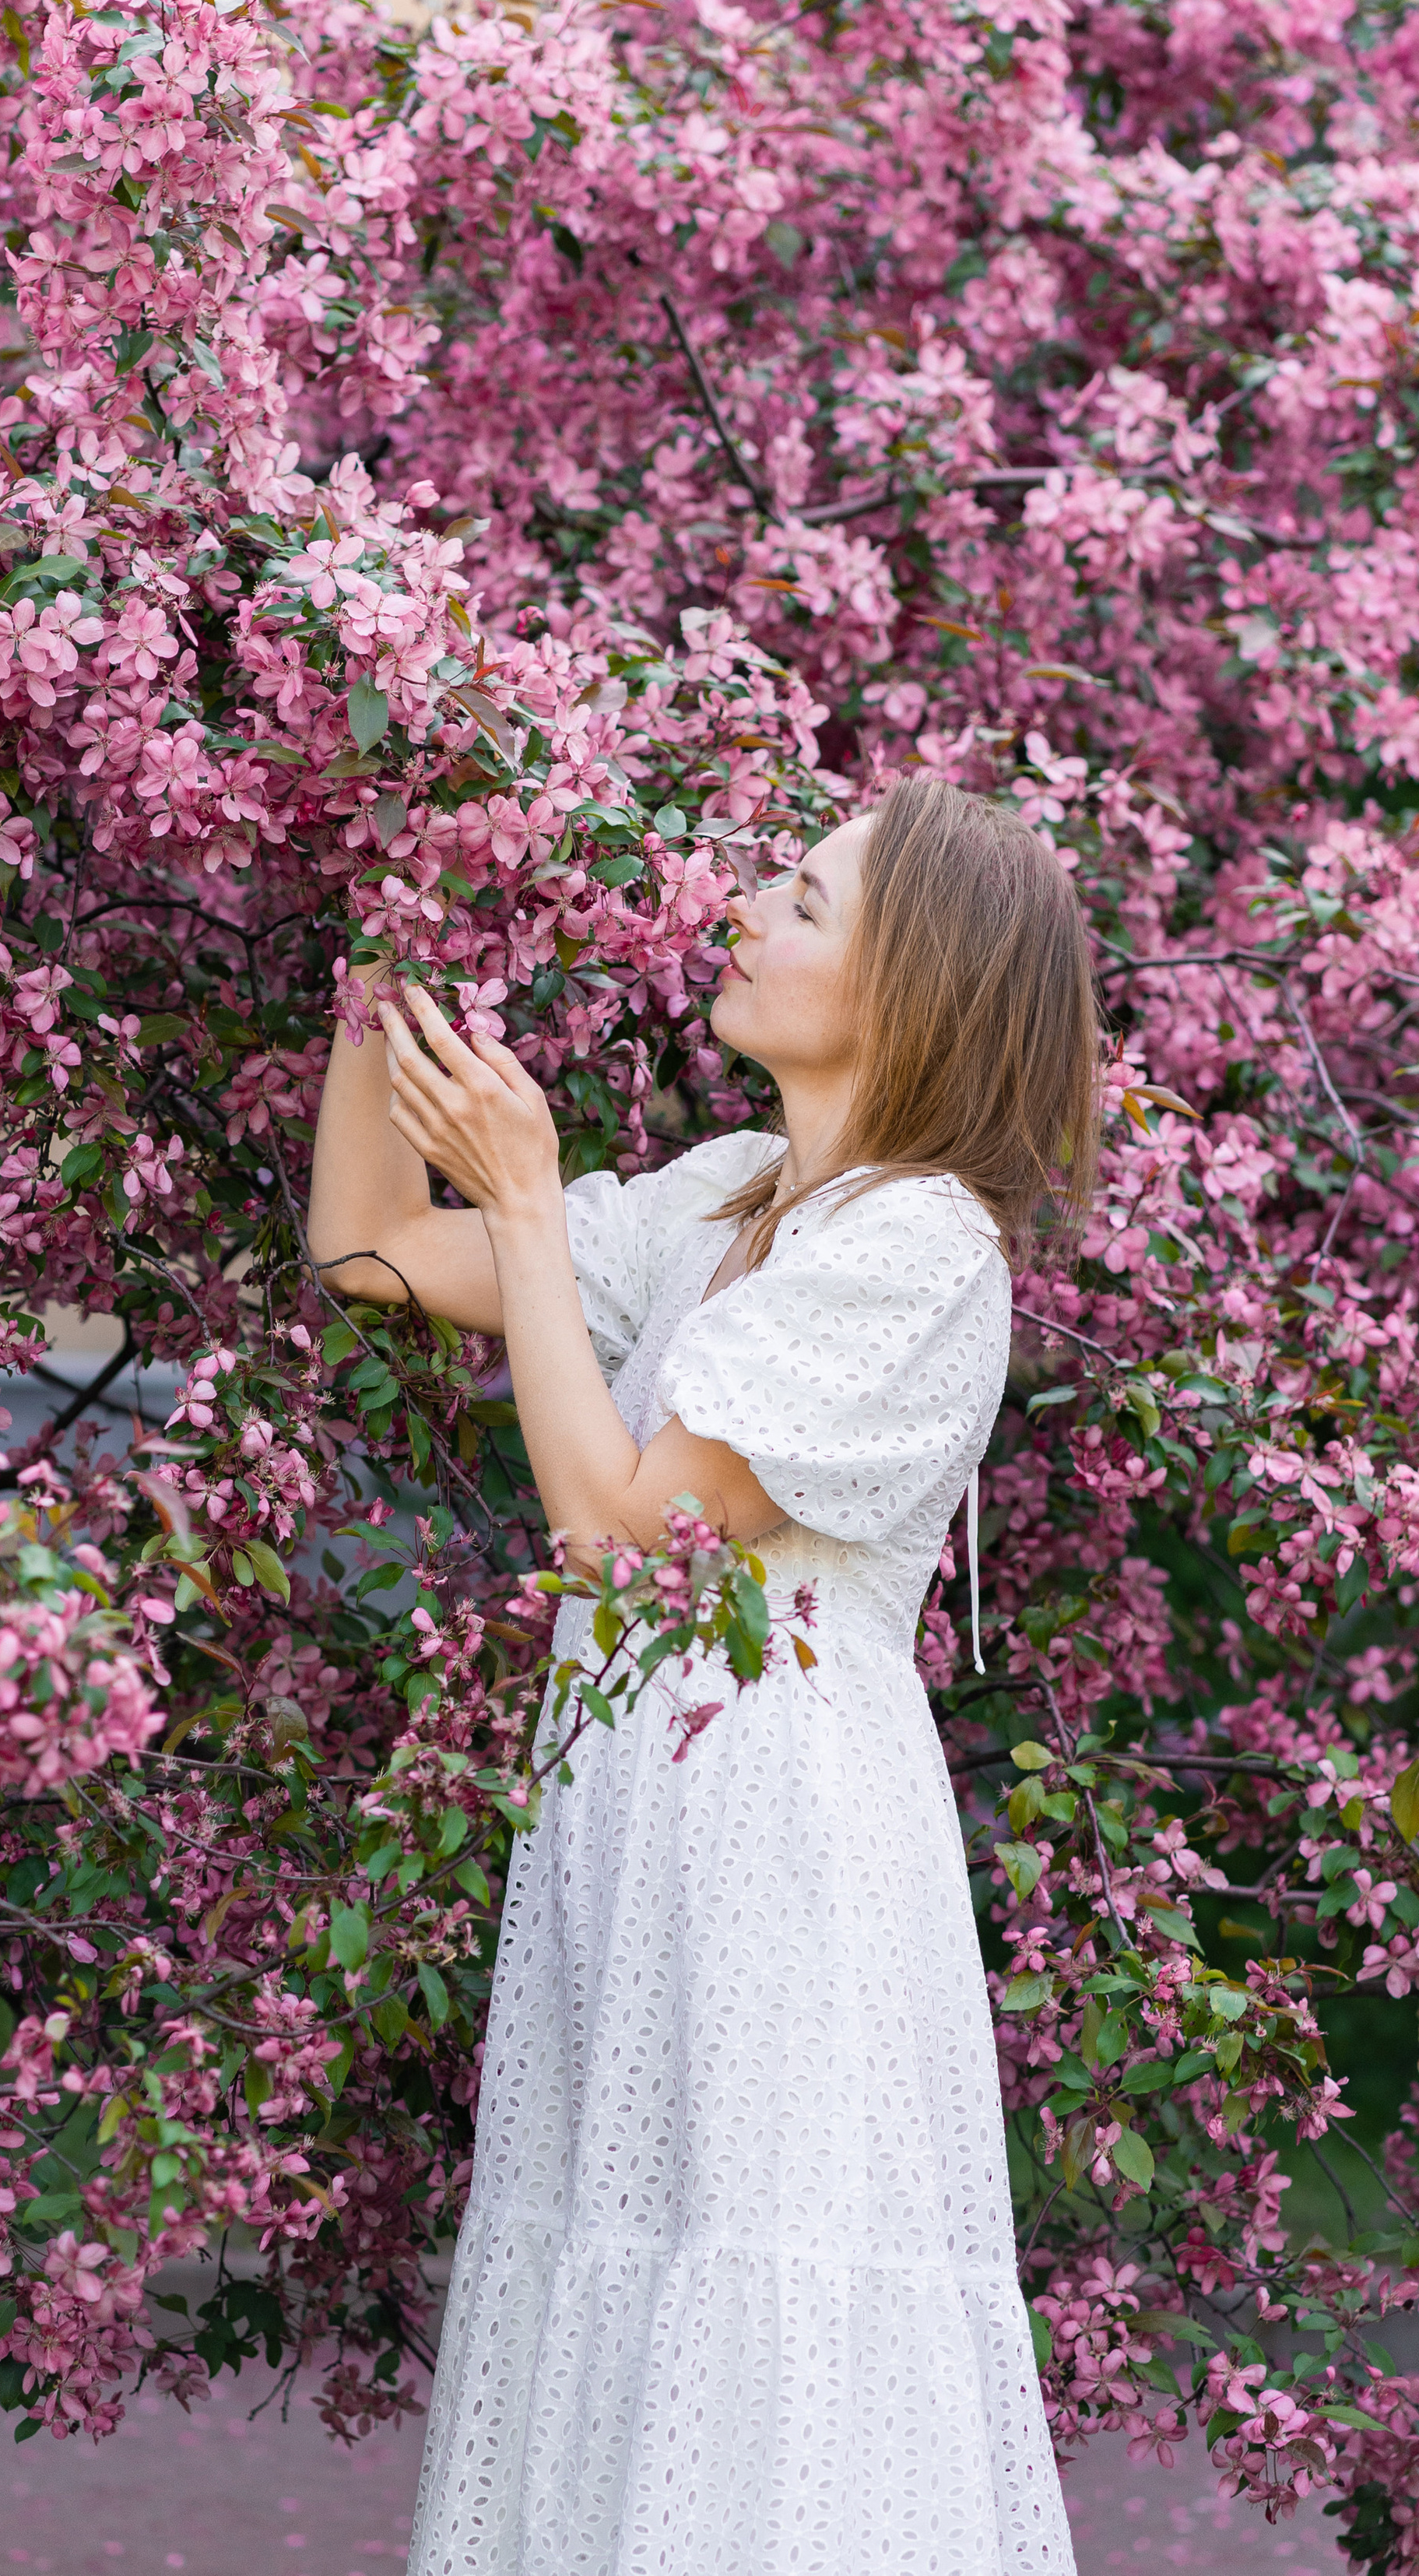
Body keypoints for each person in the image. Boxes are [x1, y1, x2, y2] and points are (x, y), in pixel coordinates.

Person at [307, 772, 1098, 2576]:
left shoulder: (918, 1248)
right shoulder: (733, 1195)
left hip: (781, 1860)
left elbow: (620, 1533)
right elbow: (364, 1251)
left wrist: (518, 1196)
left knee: (756, 2306)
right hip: (635, 1832)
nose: (748, 904)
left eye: (805, 902)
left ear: (911, 989)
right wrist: (382, 976)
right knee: (620, 2273)